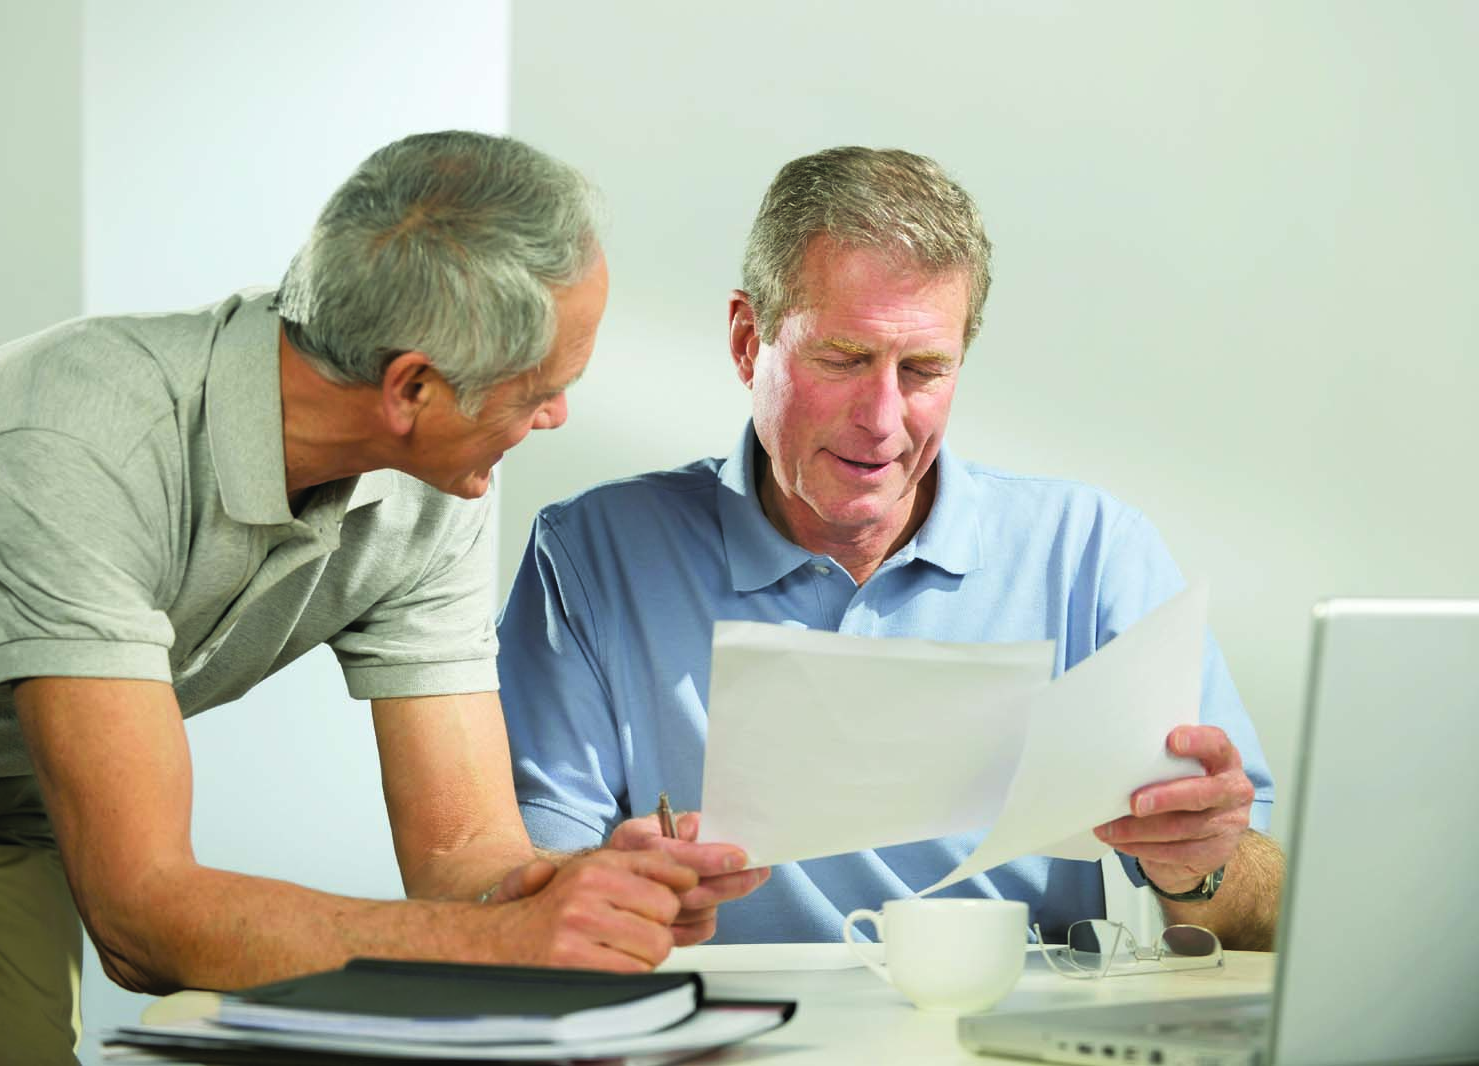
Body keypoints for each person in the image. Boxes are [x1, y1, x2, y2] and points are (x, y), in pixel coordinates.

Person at [0, 131, 755, 1065]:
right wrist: (501, 944)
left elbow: (460, 853)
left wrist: (572, 893)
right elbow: (140, 919)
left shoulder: (436, 483)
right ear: (412, 385)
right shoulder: (77, 457)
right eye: (538, 390)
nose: (557, 417)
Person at [497, 146, 1284, 953]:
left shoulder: (1089, 553)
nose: (882, 419)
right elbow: (519, 888)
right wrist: (609, 884)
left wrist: (1205, 866)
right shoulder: (594, 554)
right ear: (746, 342)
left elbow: (1260, 917)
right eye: (844, 359)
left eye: (923, 370)